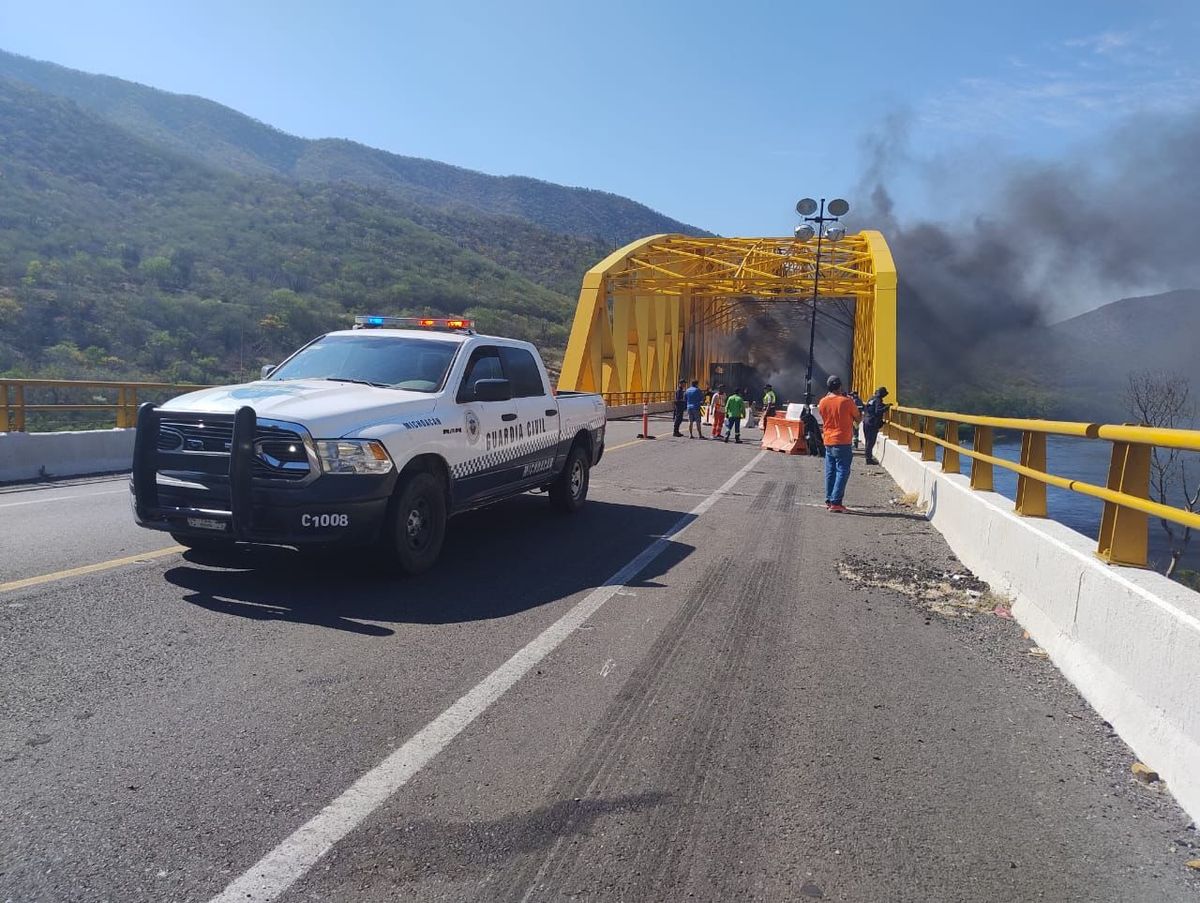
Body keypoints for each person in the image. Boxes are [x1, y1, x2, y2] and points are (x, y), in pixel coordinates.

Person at [818, 374, 861, 513]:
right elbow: (858, 417)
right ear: (840, 386)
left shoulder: (822, 402)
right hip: (842, 441)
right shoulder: (846, 401)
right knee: (843, 471)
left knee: (830, 471)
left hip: (828, 440)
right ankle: (836, 502)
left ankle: (829, 499)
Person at [862, 386, 890, 465]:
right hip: (872, 423)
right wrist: (886, 408)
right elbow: (878, 411)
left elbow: (869, 408)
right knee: (871, 442)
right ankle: (868, 459)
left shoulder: (871, 399)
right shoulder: (878, 400)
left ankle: (868, 457)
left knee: (868, 441)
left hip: (866, 421)